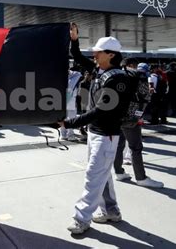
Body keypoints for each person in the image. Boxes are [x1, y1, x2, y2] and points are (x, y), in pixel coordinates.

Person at [59, 23, 131, 235]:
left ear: (110, 55)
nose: (94, 55)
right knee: (103, 175)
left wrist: (68, 123)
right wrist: (74, 39)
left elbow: (100, 110)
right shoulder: (101, 71)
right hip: (95, 133)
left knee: (93, 177)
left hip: (106, 135)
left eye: (98, 52)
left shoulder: (118, 79)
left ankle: (82, 218)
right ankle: (111, 211)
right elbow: (78, 56)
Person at [113, 60, 164, 188]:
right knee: (135, 147)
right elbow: (146, 96)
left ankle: (119, 172)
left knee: (119, 145)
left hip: (117, 115)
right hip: (131, 117)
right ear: (132, 66)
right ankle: (141, 177)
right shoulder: (139, 77)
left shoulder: (116, 75)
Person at [59, 67, 82, 141]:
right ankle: (65, 134)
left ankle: (69, 134)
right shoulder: (72, 76)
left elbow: (78, 74)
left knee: (71, 117)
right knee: (64, 118)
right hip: (63, 99)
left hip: (70, 99)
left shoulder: (74, 76)